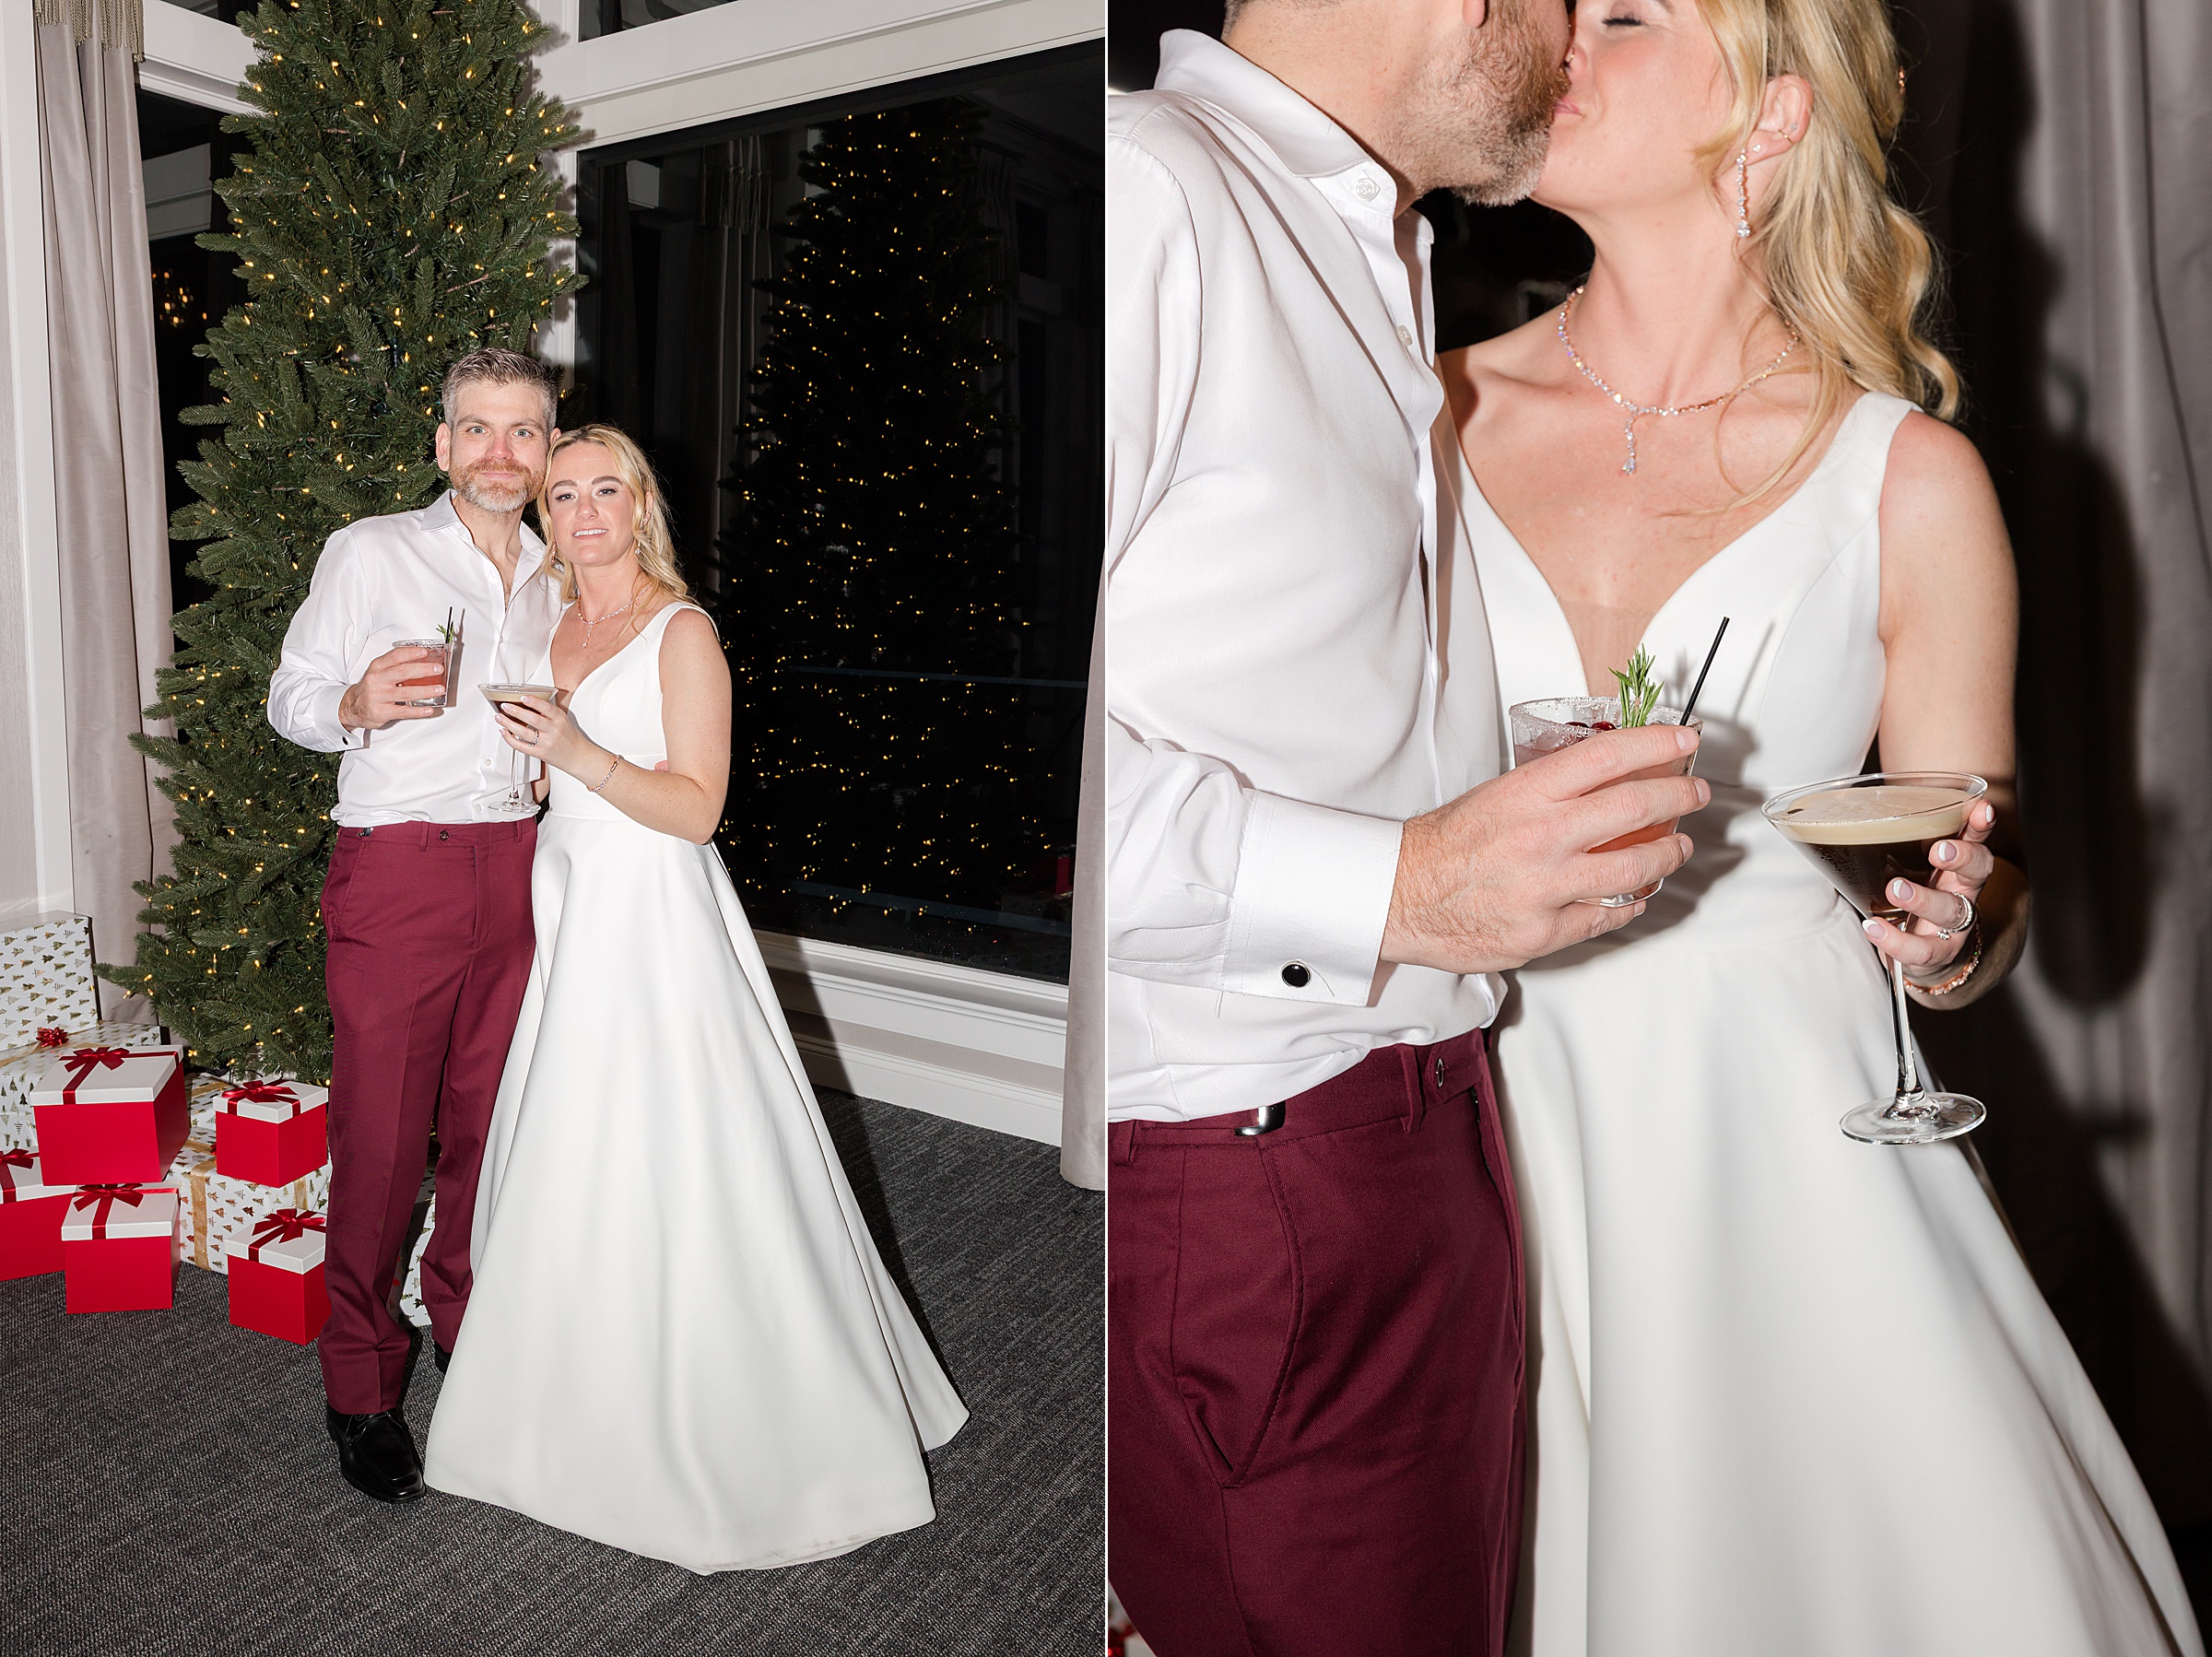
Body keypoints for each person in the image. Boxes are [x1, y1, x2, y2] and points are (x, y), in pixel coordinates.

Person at [1440, 1, 2203, 1652]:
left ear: (1771, 116)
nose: (1555, 35)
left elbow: (1973, 892)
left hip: (1785, 1161)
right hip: (1471, 1121)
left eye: (1624, 15)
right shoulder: (1421, 419)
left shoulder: (1909, 482)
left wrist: (1951, 930)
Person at [1104, 6, 1709, 1653]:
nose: (1572, 31)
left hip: (1425, 1138)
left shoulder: (1366, 240)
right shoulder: (1151, 196)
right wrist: (1412, 883)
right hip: (1261, 1180)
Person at [420, 425, 967, 1571]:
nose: (579, 512)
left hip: (652, 907)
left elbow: (696, 808)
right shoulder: (549, 623)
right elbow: (539, 769)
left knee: (673, 1144)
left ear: (640, 506)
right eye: (561, 494)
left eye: (602, 491)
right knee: (569, 1136)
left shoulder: (684, 632)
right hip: (566, 894)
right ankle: (562, 1394)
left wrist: (574, 750)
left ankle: (724, 1423)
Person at [269, 346, 564, 1504]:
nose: (502, 452)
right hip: (400, 872)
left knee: (493, 1129)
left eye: (526, 431)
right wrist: (349, 702)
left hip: (523, 866)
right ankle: (361, 1383)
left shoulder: (559, 570)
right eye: (478, 430)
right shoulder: (372, 550)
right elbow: (290, 697)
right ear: (442, 445)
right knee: (385, 1143)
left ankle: (467, 1323)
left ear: (549, 444)